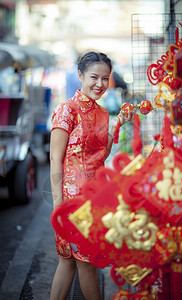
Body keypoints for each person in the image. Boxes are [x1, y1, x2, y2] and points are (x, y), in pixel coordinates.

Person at [49, 51, 133, 300]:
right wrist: (58, 206)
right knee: (81, 262)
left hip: (94, 198)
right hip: (71, 202)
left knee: (70, 262)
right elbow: (56, 159)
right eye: (94, 77)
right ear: (80, 76)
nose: (100, 84)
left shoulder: (103, 113)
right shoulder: (66, 110)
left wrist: (118, 126)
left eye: (105, 78)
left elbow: (101, 156)